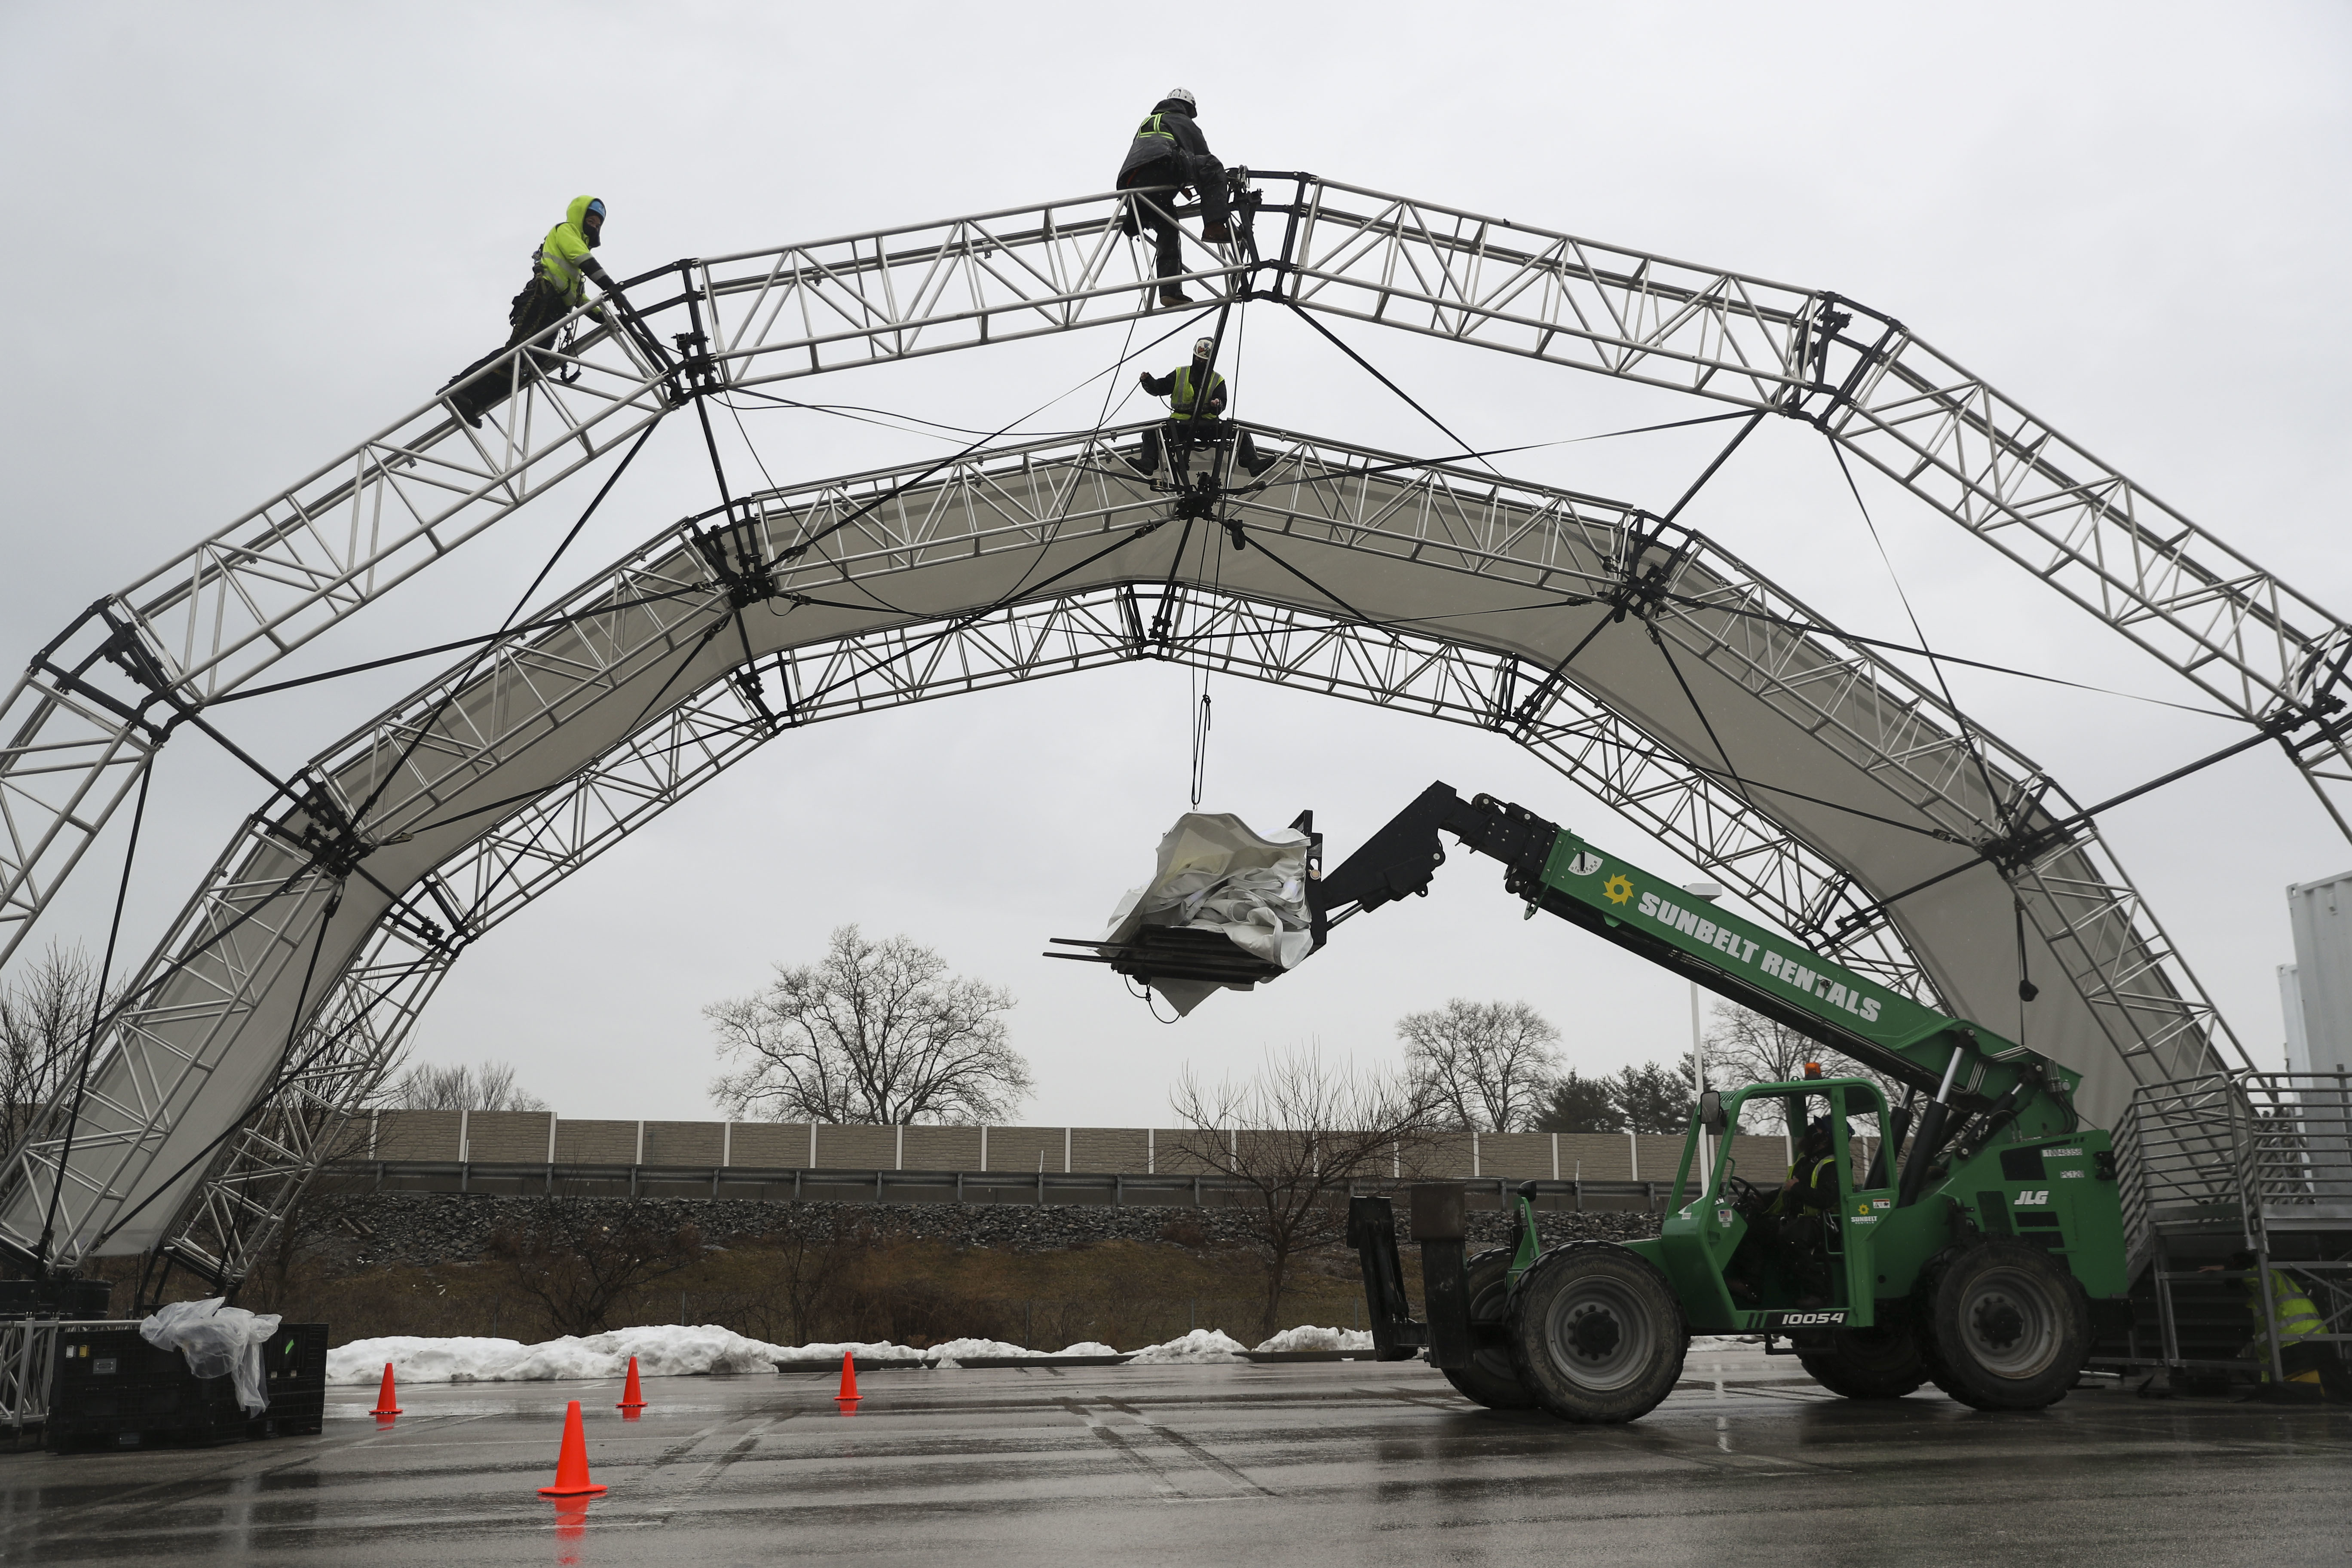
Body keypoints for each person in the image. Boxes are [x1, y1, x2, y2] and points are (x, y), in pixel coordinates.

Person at [446, 196, 620, 428]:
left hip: (553, 312)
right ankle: (459, 390)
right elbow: (583, 259)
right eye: (591, 219)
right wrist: (612, 288)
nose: (595, 225)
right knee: (517, 354)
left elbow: (580, 298)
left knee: (529, 365)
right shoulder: (566, 231)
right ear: (580, 216)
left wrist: (605, 317)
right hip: (542, 302)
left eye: (599, 223)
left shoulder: (576, 264)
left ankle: (473, 401)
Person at [1116, 89, 1231, 308]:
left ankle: (1170, 291)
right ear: (1187, 107)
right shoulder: (1181, 120)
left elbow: (1148, 158)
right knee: (1213, 167)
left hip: (1133, 182)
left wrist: (1181, 183)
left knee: (1168, 227)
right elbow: (1202, 156)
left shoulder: (1148, 122)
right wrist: (1199, 181)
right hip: (1163, 165)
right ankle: (1215, 226)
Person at [2208, 1250, 2351, 1401]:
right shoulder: (2269, 1285)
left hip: (2297, 1339)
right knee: (2321, 1385)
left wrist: (2228, 1270)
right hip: (2306, 1337)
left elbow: (2252, 1278)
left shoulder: (2266, 1275)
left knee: (2307, 1388)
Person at [1129, 338, 1271, 485]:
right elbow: (1160, 387)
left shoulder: (1217, 380)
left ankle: (1252, 462)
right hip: (1181, 425)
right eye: (1197, 358)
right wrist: (1148, 381)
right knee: (1152, 431)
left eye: (1203, 360)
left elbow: (1222, 401)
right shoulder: (1181, 373)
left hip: (1208, 425)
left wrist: (1217, 405)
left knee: (1240, 430)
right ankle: (1149, 462)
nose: (1199, 362)